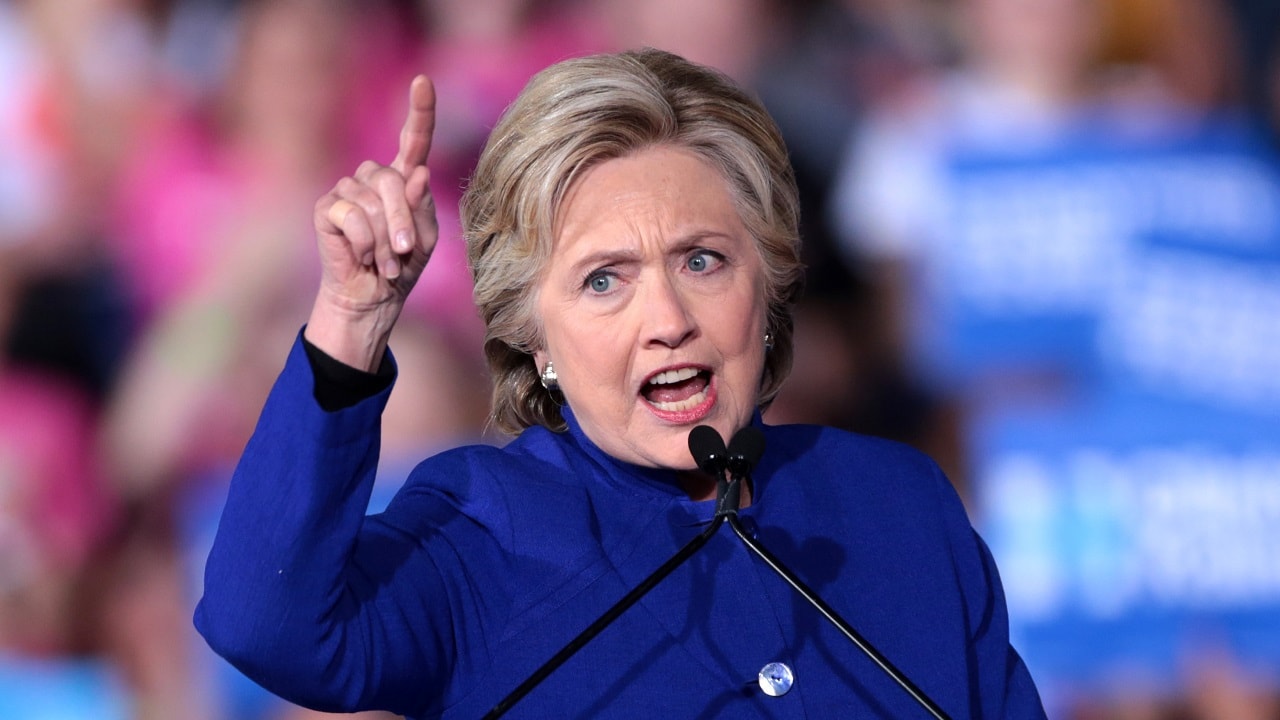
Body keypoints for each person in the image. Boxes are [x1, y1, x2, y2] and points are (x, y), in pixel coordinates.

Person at [194, 48, 1046, 719]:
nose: (667, 317)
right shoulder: (478, 531)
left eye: (703, 260)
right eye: (605, 280)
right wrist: (353, 317)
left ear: (769, 284)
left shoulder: (898, 503)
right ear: (534, 339)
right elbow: (265, 625)